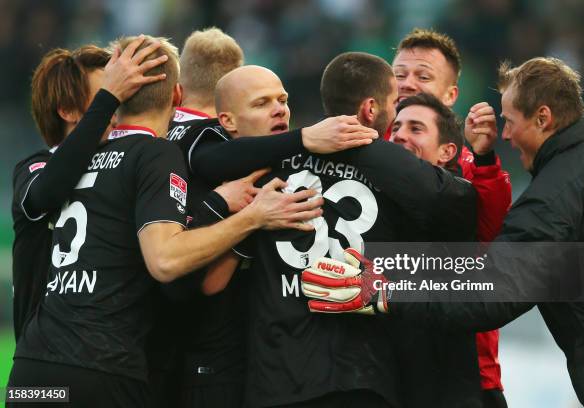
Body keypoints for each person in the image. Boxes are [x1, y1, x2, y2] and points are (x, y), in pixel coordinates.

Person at [8, 35, 323, 408]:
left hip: (30, 369)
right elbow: (167, 262)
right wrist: (249, 215)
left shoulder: (75, 164)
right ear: (177, 95)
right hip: (106, 369)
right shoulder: (153, 154)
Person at [303, 56, 584, 408]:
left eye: (510, 122)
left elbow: (491, 292)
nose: (505, 135)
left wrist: (382, 292)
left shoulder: (554, 198)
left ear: (543, 118)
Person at [208, 53, 476, 407]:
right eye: (394, 104)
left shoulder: (268, 164)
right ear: (370, 109)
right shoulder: (397, 177)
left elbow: (206, 161)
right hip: (361, 377)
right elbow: (461, 204)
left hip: (276, 376)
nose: (396, 117)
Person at [165, 28, 379, 408]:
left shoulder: (273, 170)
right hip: (213, 365)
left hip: (278, 368)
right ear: (225, 120)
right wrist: (252, 219)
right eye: (263, 103)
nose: (280, 109)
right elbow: (212, 283)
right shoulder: (209, 153)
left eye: (283, 99)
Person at [11, 37, 167, 342]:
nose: (117, 110)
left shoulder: (126, 168)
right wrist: (108, 97)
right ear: (68, 111)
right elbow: (45, 194)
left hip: (102, 361)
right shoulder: (34, 167)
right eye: (107, 97)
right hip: (38, 371)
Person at [392, 28, 511, 406]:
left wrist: (485, 160)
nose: (408, 84)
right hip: (385, 365)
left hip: (467, 368)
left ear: (451, 94)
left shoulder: (476, 167)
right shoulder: (365, 157)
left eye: (423, 76)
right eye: (399, 74)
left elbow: (494, 242)